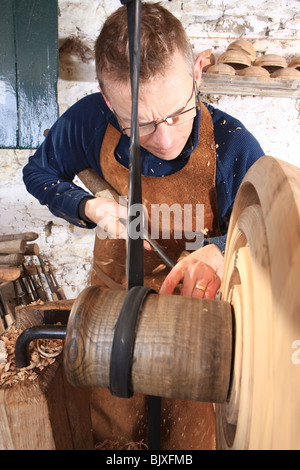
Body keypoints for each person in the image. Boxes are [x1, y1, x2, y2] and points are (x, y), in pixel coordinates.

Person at [23, 2, 264, 449]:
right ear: (107, 96)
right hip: (110, 329)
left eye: (178, 111)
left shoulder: (232, 144)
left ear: (197, 70)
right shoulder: (91, 119)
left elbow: (268, 233)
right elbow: (37, 173)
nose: (167, 137)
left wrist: (218, 248)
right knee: (113, 442)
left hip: (195, 334)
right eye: (143, 124)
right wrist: (87, 207)